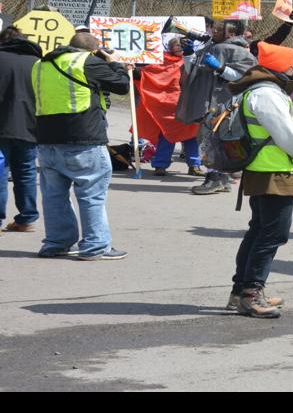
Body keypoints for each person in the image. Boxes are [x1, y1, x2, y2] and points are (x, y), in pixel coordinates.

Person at [226, 43, 293, 317]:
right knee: (272, 234)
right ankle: (250, 294)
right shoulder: (268, 95)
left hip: (266, 170)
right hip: (274, 173)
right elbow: (288, 138)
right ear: (281, 68)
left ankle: (240, 292)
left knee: (259, 230)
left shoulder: (260, 91)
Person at [30, 31, 131, 259]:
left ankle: (56, 243)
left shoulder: (40, 64)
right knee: (91, 194)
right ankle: (95, 246)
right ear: (94, 50)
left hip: (47, 140)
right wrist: (115, 64)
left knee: (54, 197)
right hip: (83, 138)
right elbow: (122, 86)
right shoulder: (88, 61)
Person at [180, 20, 258, 195]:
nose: (213, 31)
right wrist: (188, 54)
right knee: (211, 139)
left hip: (225, 102)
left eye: (220, 29)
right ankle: (220, 179)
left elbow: (243, 77)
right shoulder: (211, 47)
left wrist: (221, 68)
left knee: (212, 140)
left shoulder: (239, 51)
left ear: (231, 33)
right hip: (210, 102)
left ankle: (214, 178)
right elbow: (192, 70)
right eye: (214, 28)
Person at [136, 33, 204, 178]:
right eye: (177, 44)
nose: (180, 47)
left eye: (182, 44)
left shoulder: (193, 60)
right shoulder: (160, 61)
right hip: (167, 107)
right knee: (167, 136)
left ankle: (195, 165)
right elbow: (149, 74)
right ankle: (160, 165)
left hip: (188, 106)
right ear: (170, 47)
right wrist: (131, 67)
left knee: (191, 136)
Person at [0, 26, 42, 232]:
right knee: (25, 171)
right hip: (29, 125)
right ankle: (26, 218)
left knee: (0, 171)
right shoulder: (38, 63)